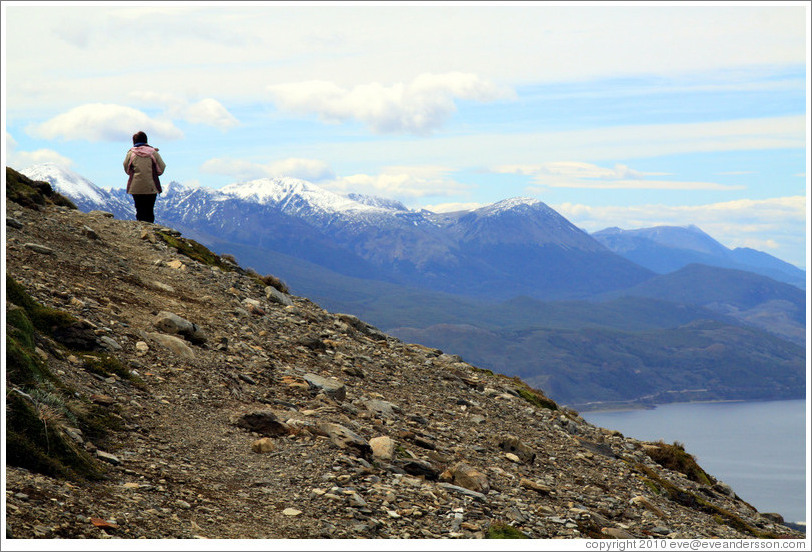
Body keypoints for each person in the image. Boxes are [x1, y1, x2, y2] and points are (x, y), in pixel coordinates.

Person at [124, 131, 166, 223]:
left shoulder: (131, 153)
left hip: (136, 187)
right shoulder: (153, 153)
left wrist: (133, 173)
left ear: (134, 142)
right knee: (149, 209)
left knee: (139, 209)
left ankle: (140, 229)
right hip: (151, 186)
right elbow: (161, 167)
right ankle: (150, 231)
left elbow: (126, 168)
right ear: (146, 140)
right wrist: (154, 173)